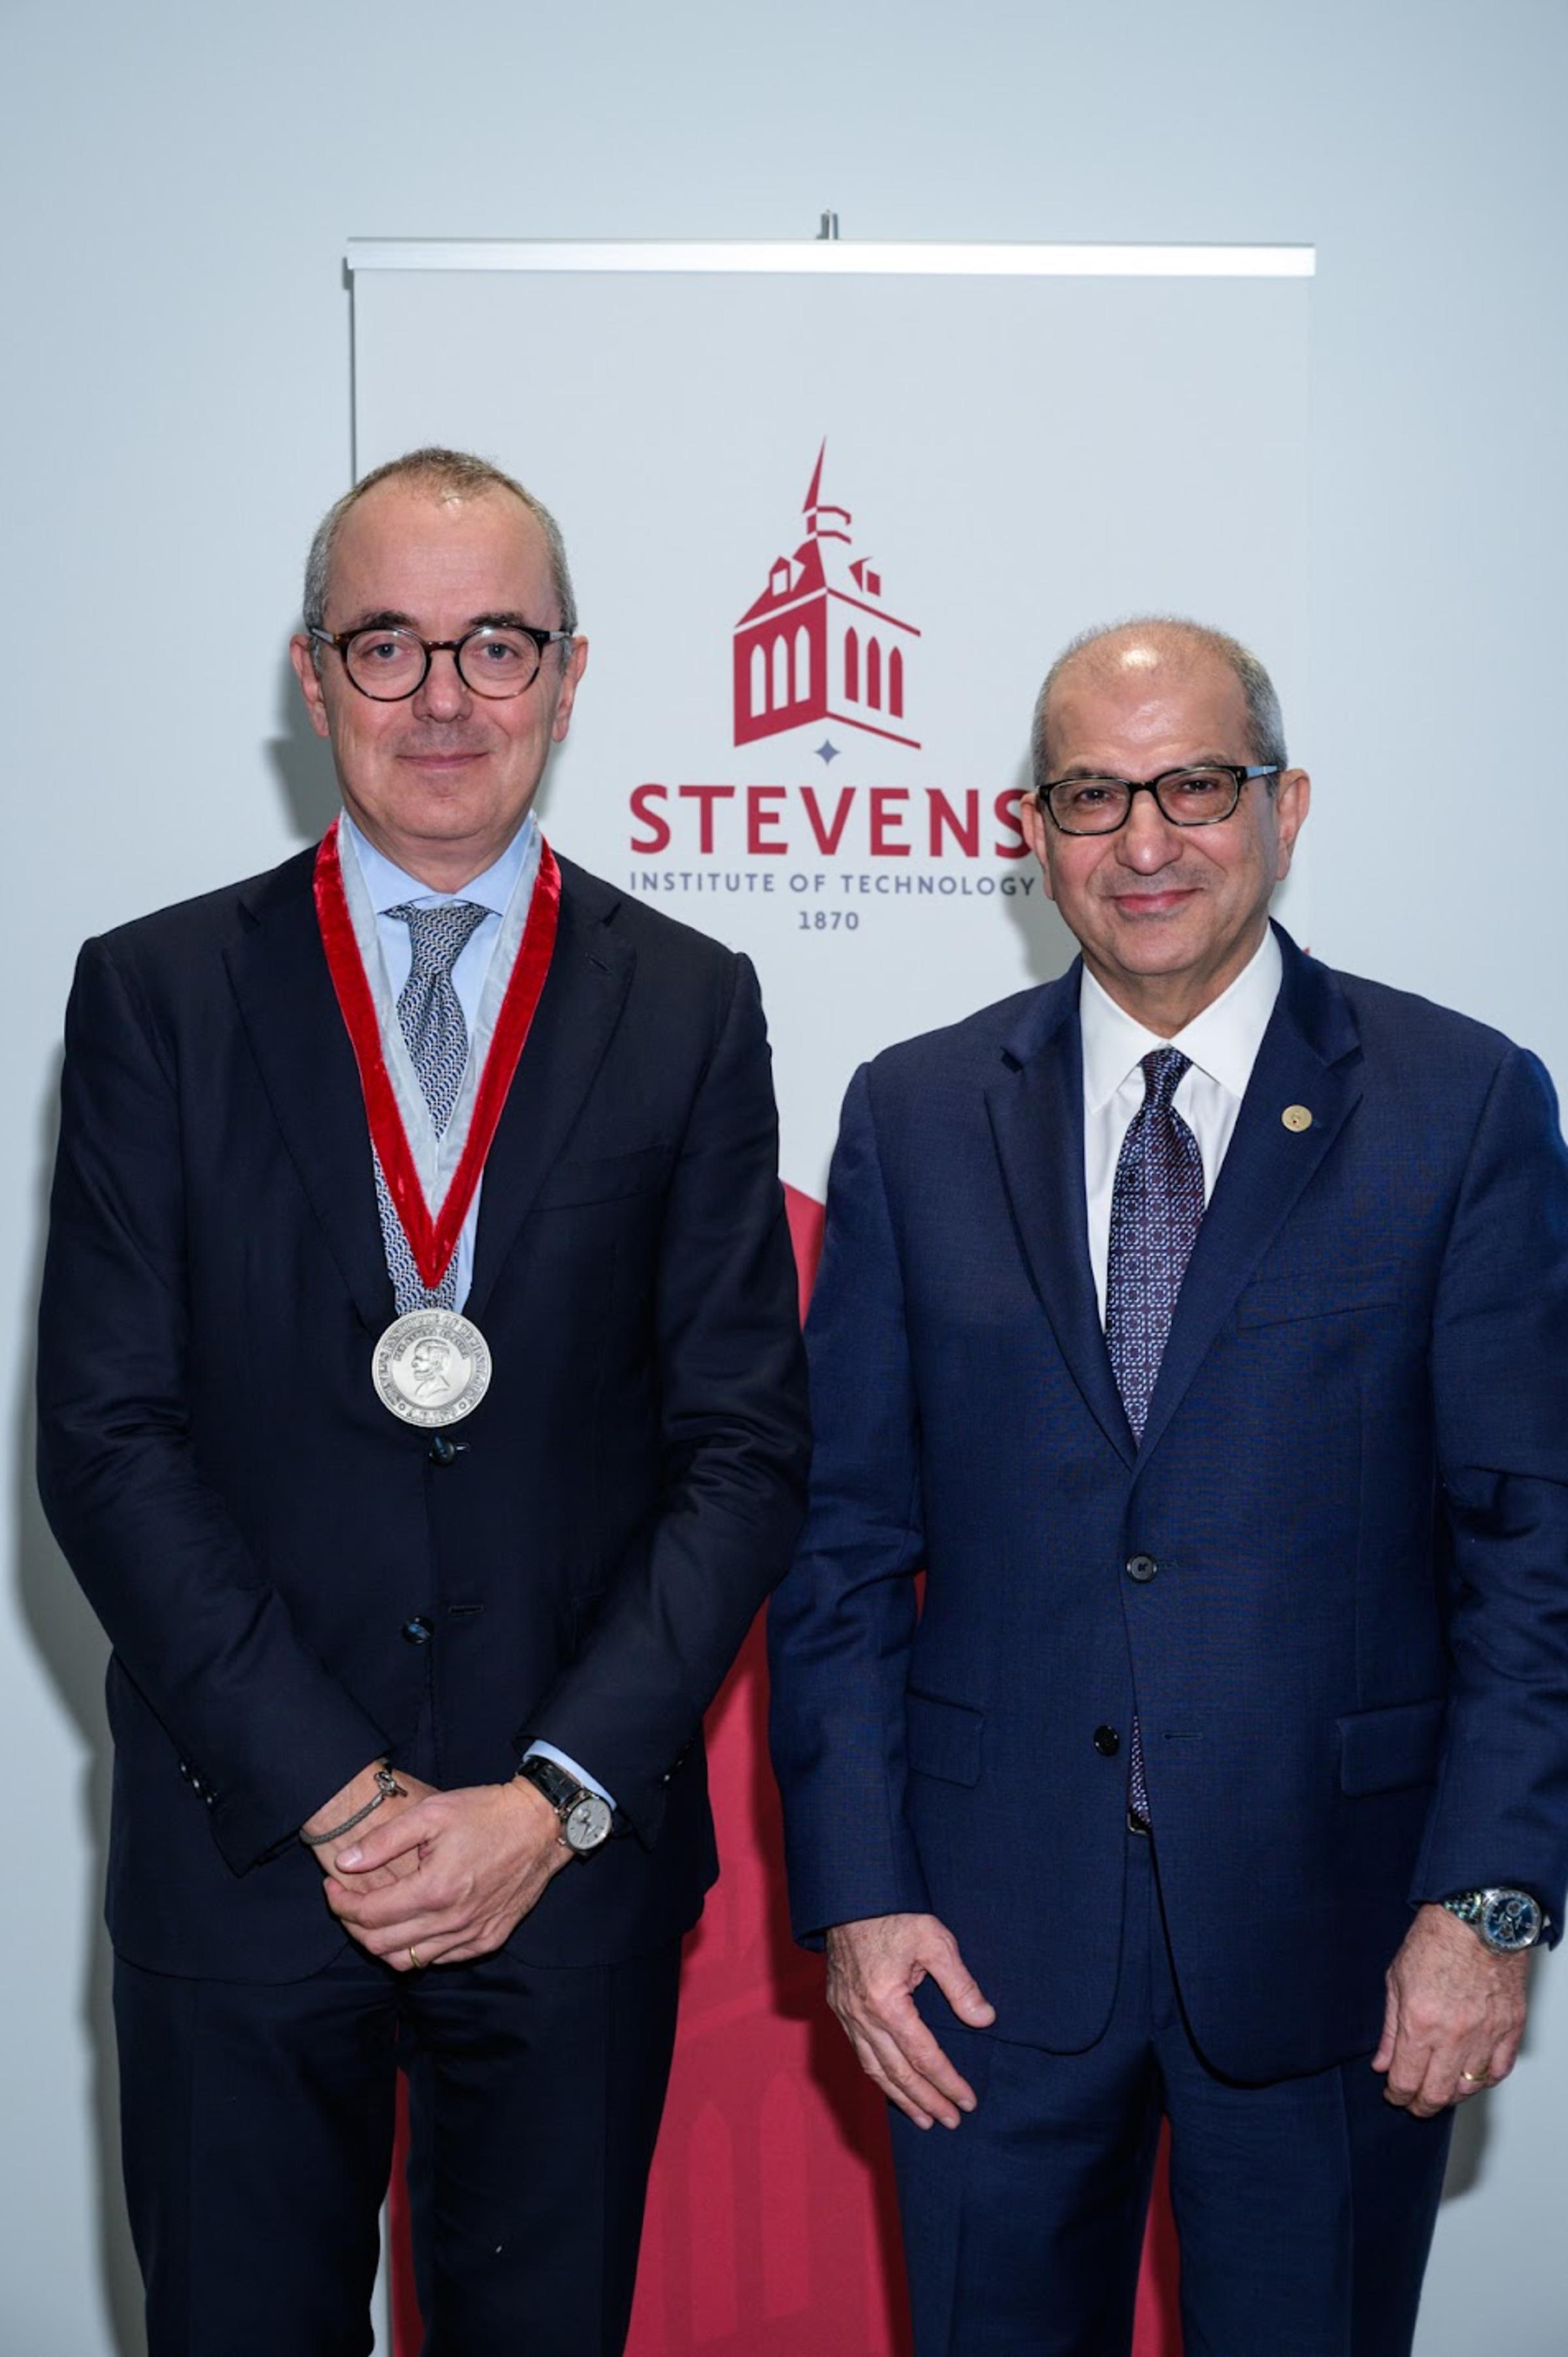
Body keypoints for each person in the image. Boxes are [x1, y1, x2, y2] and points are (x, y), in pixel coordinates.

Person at [38, 446, 809, 2357]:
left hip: (563, 1874)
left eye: (497, 646)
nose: (444, 698)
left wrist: (548, 1799)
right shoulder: (155, 994)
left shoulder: (690, 1003)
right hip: (246, 1854)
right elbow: (107, 1441)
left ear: (570, 673)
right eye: (388, 645)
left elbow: (741, 1448)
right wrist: (340, 1790)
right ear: (312, 679)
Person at [768, 617, 1568, 2355]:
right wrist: (860, 1895)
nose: (1144, 841)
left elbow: (1534, 1553)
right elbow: (840, 1550)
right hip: (983, 1950)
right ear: (1032, 828)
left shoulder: (1460, 1106)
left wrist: (1486, 1907)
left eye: (1195, 786)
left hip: (1343, 1945)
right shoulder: (915, 1115)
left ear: (1287, 804)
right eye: (1092, 795)